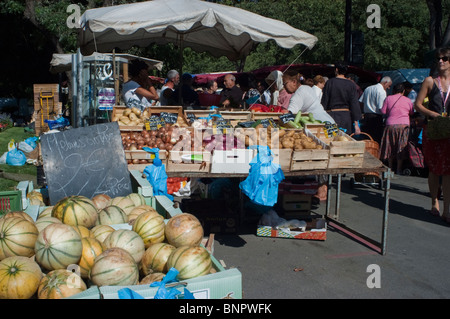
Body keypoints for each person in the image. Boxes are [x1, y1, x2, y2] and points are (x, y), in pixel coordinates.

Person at [414, 47, 450, 222]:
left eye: (445, 58)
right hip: (433, 129)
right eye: (438, 58)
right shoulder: (430, 81)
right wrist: (432, 114)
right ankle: (434, 201)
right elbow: (418, 105)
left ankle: (447, 210)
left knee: (448, 170)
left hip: (449, 129)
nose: (441, 61)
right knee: (435, 168)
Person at [379, 82, 414, 174]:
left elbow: (383, 111)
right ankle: (399, 168)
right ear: (403, 91)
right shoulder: (408, 100)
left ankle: (390, 167)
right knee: (401, 147)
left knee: (390, 146)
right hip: (404, 126)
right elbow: (411, 112)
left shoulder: (388, 98)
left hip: (390, 125)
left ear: (394, 90)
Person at [321, 61, 362, 134]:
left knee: (331, 140)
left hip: (331, 117)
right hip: (346, 117)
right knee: (345, 140)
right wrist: (356, 124)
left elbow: (324, 102)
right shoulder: (351, 84)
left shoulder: (330, 83)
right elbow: (354, 104)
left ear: (336, 70)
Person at [358, 76, 392, 144]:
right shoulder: (382, 91)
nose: (389, 88)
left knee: (366, 138)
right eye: (389, 85)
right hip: (376, 118)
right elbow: (381, 107)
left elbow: (361, 102)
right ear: (385, 82)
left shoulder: (368, 88)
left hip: (366, 116)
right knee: (375, 139)